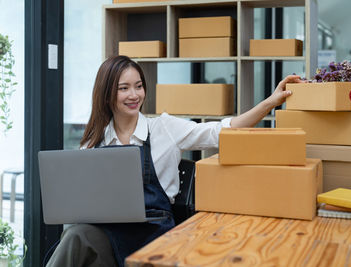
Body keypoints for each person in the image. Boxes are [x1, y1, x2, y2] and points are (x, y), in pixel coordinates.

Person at [46, 55, 303, 267]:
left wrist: (271, 102)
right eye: (123, 88)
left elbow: (224, 129)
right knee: (76, 236)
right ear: (106, 94)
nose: (134, 95)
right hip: (110, 232)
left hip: (156, 232)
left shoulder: (164, 128)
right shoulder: (94, 142)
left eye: (138, 86)